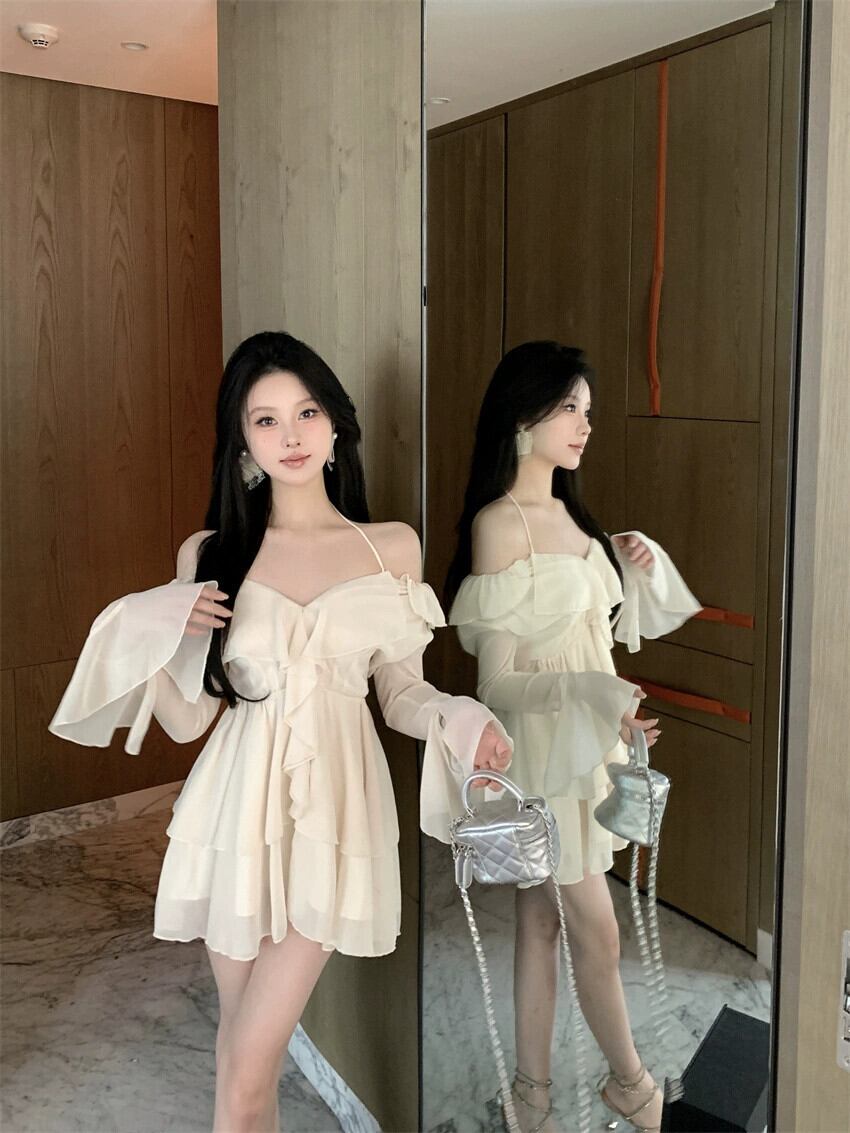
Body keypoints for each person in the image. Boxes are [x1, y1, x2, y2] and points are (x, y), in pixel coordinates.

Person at [49, 331, 512, 1133]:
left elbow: (401, 691)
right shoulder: (212, 552)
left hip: (334, 815)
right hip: (234, 814)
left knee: (245, 1069)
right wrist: (149, 630)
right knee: (241, 1062)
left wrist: (460, 717)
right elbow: (193, 717)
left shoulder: (389, 546)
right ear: (243, 442)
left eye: (306, 412)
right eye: (265, 420)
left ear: (335, 424)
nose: (290, 434)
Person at [444, 341, 701, 1133]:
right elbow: (499, 685)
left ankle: (532, 1095)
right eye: (568, 407)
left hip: (587, 750)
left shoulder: (576, 520)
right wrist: (594, 692)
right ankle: (630, 1084)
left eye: (587, 409)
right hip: (545, 755)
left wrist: (631, 563)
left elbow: (602, 634)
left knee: (541, 919)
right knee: (598, 926)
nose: (585, 424)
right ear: (522, 417)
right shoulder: (500, 525)